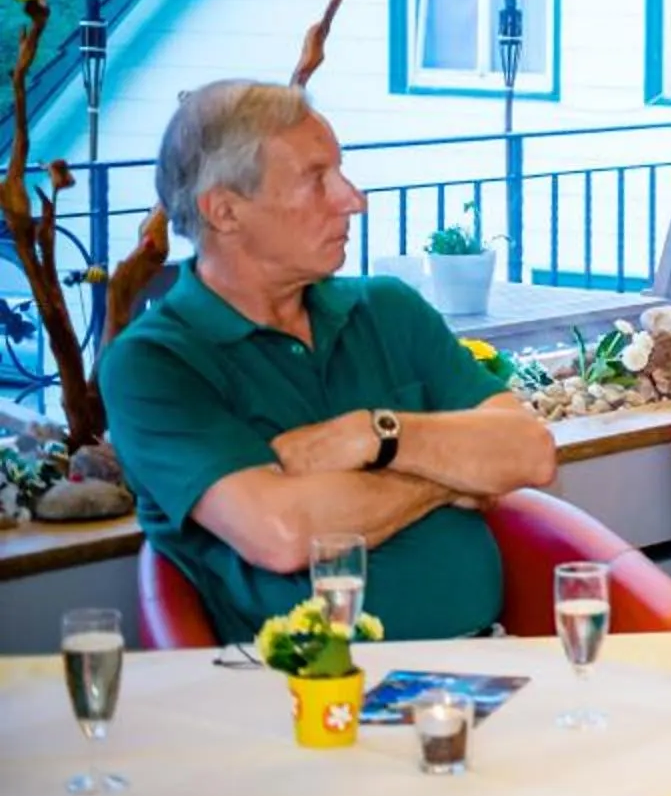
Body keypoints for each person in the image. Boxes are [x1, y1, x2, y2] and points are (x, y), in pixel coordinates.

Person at [97, 82, 559, 641]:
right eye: (316, 179)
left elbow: (529, 453)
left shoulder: (387, 308)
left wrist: (373, 436)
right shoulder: (155, 365)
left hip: (491, 663)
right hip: (297, 694)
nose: (353, 199)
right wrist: (447, 476)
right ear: (224, 211)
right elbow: (285, 533)